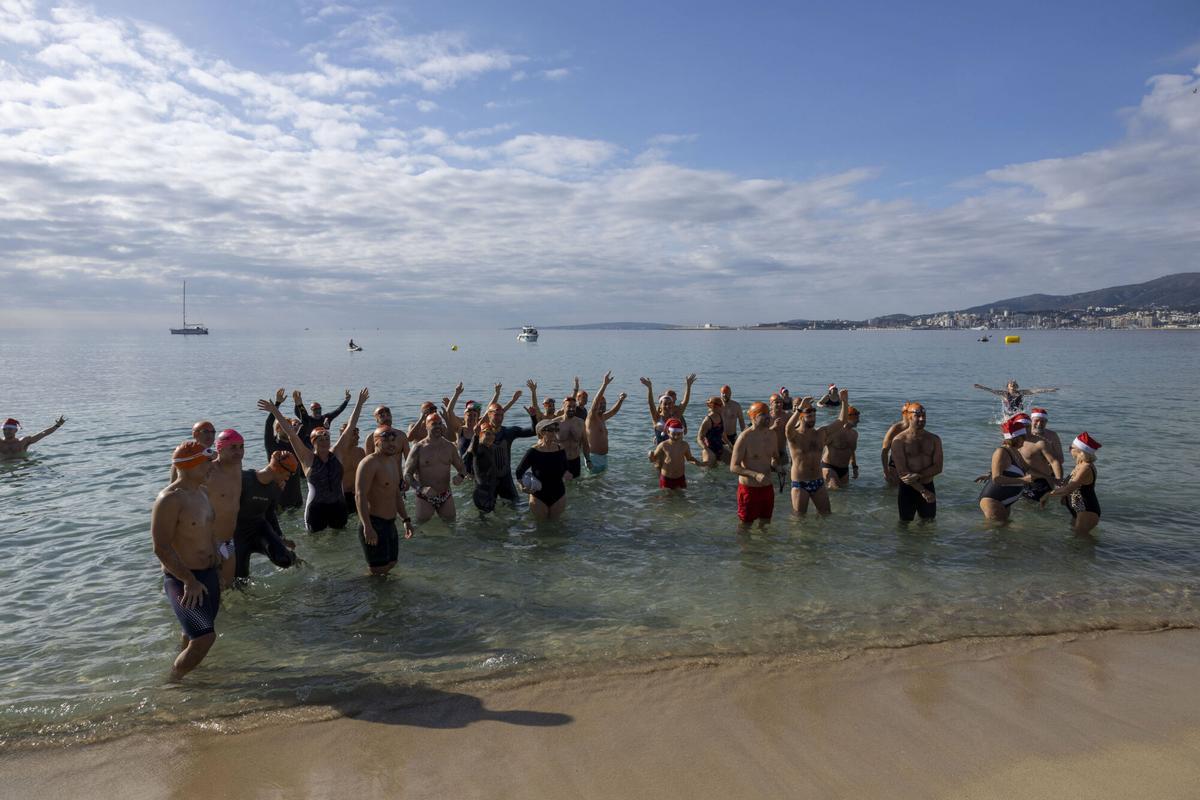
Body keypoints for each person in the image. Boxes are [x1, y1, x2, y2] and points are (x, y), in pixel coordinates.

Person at [151, 441, 220, 680]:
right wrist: (189, 581)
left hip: (209, 574)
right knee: (205, 638)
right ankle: (173, 683)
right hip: (184, 579)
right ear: (190, 466)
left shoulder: (201, 492)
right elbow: (161, 547)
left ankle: (187, 673)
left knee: (193, 635)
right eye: (207, 463)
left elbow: (208, 530)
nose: (212, 467)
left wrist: (217, 556)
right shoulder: (169, 499)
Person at [261, 388, 369, 533]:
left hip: (338, 507)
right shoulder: (307, 458)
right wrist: (275, 411)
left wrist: (359, 403)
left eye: (327, 438)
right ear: (313, 442)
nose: (324, 441)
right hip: (315, 510)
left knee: (341, 539)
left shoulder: (336, 453)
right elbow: (291, 434)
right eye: (320, 439)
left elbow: (350, 427)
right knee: (316, 544)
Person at [354, 426, 416, 576]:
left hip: (390, 524)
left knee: (391, 564)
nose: (391, 443)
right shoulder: (368, 464)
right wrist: (367, 527)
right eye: (386, 440)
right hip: (374, 523)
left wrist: (406, 519)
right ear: (376, 442)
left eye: (393, 440)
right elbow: (359, 496)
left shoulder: (392, 462)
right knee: (377, 572)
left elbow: (395, 494)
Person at [233, 450, 301, 582]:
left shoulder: (275, 487)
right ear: (278, 469)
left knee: (285, 560)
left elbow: (270, 514)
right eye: (289, 474)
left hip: (260, 529)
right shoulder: (244, 479)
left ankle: (295, 559)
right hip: (238, 534)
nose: (288, 478)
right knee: (240, 580)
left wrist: (281, 538)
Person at [404, 413, 468, 523]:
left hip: (445, 495)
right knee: (422, 528)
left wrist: (461, 476)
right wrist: (421, 489)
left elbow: (462, 468)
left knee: (451, 526)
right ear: (426, 426)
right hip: (424, 497)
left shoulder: (449, 447)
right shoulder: (418, 448)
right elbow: (407, 474)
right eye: (434, 424)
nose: (438, 426)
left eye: (440, 423)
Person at [890, 403, 943, 523]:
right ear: (909, 417)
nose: (922, 419)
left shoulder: (934, 439)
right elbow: (902, 473)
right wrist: (923, 491)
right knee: (904, 524)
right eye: (917, 415)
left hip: (928, 485)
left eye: (924, 415)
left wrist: (918, 475)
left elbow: (938, 467)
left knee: (929, 523)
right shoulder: (899, 440)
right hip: (908, 489)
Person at [976, 416, 1036, 522]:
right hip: (993, 499)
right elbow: (997, 478)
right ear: (1015, 439)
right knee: (995, 533)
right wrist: (1023, 480)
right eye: (1023, 437)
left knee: (1003, 534)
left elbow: (1025, 469)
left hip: (1004, 501)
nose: (1025, 441)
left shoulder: (1015, 451)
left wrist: (1051, 478)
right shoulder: (1001, 452)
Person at [729, 402, 779, 529]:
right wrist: (755, 475)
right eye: (763, 415)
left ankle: (763, 547)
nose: (768, 417)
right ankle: (746, 548)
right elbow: (733, 467)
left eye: (768, 414)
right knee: (745, 525)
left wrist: (777, 466)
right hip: (749, 490)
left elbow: (774, 458)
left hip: (767, 488)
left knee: (766, 522)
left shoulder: (772, 435)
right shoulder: (744, 437)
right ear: (753, 417)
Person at [784, 397, 833, 516]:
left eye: (814, 417)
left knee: (826, 514)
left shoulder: (818, 434)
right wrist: (799, 408)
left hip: (818, 481)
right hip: (800, 483)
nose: (813, 420)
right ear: (801, 417)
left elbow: (841, 421)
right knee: (799, 519)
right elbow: (787, 428)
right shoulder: (794, 435)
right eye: (809, 417)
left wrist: (844, 401)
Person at [482, 402, 537, 507]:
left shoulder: (509, 432)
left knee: (515, 506)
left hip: (505, 478)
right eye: (496, 414)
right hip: (488, 481)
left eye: (501, 415)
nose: (499, 417)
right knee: (486, 511)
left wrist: (533, 417)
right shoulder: (481, 434)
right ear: (489, 414)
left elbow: (533, 431)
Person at [210, 429, 246, 588]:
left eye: (241, 447)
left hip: (228, 541)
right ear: (219, 448)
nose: (239, 452)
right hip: (210, 543)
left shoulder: (237, 466)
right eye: (233, 447)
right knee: (212, 591)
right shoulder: (208, 472)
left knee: (227, 588)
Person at [1049, 432, 1102, 537]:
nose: (1069, 450)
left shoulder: (1086, 468)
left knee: (1082, 541)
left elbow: (1069, 488)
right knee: (1076, 544)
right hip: (1078, 510)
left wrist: (1047, 495)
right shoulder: (1080, 465)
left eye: (1071, 447)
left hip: (1086, 510)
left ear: (1081, 451)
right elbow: (1067, 485)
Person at [515, 418, 570, 520]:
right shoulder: (533, 451)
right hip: (538, 495)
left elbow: (565, 468)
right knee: (541, 528)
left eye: (556, 429)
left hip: (559, 493)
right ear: (542, 432)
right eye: (551, 429)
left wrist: (567, 473)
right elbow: (519, 472)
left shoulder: (560, 449)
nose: (554, 432)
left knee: (556, 525)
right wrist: (521, 486)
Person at [263, 388, 304, 509]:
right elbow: (268, 423)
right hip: (278, 498)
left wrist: (299, 405)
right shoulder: (271, 444)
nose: (287, 428)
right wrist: (277, 404)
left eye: (289, 426)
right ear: (277, 429)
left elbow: (306, 422)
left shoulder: (295, 442)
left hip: (296, 497)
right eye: (283, 426)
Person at [585, 371, 626, 474]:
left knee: (601, 484)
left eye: (604, 404)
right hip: (593, 458)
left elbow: (613, 411)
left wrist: (620, 400)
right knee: (592, 484)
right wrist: (604, 385)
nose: (602, 405)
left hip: (604, 458)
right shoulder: (592, 418)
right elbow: (594, 404)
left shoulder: (602, 417)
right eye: (600, 404)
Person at [640, 374, 696, 444]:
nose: (667, 406)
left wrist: (688, 386)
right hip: (661, 451)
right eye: (665, 404)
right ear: (660, 406)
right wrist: (649, 388)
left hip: (676, 451)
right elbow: (651, 404)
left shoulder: (676, 416)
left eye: (669, 403)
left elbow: (685, 402)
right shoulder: (657, 418)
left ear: (673, 404)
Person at [465, 422, 505, 514]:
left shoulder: (489, 448)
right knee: (486, 519)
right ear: (481, 435)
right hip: (482, 492)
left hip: (490, 489)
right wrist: (475, 435)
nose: (491, 437)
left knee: (489, 520)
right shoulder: (480, 448)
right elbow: (474, 451)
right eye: (487, 434)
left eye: (492, 434)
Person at [821, 392, 859, 489]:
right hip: (829, 467)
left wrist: (854, 467)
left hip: (844, 470)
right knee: (836, 491)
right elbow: (820, 447)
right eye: (856, 418)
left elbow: (852, 451)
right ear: (849, 418)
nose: (858, 421)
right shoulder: (835, 432)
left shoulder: (854, 434)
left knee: (844, 495)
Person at [651, 418, 699, 489]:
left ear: (682, 433)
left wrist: (699, 463)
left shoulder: (684, 445)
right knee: (666, 498)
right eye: (673, 434)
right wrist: (650, 455)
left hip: (680, 478)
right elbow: (654, 459)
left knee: (682, 497)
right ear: (668, 432)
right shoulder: (663, 445)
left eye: (678, 434)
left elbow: (689, 458)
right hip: (666, 478)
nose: (676, 436)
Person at [973, 380, 1059, 416]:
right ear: (1008, 387)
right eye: (1011, 385)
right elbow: (991, 390)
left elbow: (1036, 391)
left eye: (1014, 385)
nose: (1013, 386)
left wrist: (1050, 390)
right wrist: (981, 387)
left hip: (1019, 413)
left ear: (1017, 386)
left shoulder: (1021, 392)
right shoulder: (1004, 393)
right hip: (1008, 414)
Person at [555, 394, 590, 478]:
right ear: (563, 407)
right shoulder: (555, 423)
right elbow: (547, 443)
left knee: (576, 486)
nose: (571, 409)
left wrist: (588, 460)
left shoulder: (581, 422)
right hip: (560, 462)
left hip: (576, 461)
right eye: (569, 406)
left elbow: (585, 443)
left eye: (574, 406)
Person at [880, 405, 914, 488]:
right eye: (908, 413)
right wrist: (886, 471)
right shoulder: (895, 429)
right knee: (893, 490)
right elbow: (884, 451)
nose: (910, 416)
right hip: (895, 464)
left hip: (912, 464)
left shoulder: (917, 428)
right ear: (903, 414)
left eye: (912, 413)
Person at [0, 416, 65, 459]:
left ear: (16, 430)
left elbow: (44, 433)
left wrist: (57, 425)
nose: (6, 431)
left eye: (9, 429)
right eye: (4, 429)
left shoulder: (23, 441)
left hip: (21, 467)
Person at [338, 420, 367, 515]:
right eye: (355, 434)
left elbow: (366, 474)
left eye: (358, 434)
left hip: (358, 493)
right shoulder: (336, 454)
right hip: (342, 496)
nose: (358, 437)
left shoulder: (360, 452)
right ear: (344, 436)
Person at [696, 396, 730, 467]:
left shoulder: (720, 416)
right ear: (713, 406)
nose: (723, 407)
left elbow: (722, 434)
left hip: (720, 448)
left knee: (733, 463)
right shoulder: (707, 420)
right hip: (710, 450)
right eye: (721, 405)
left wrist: (730, 445)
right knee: (708, 474)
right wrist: (707, 450)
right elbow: (699, 438)